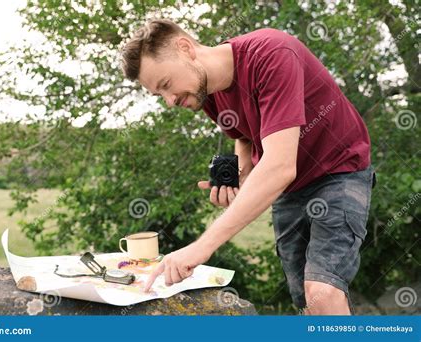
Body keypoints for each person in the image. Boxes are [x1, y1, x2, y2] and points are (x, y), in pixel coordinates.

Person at [120, 19, 375, 315]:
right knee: (306, 301)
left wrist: (200, 248)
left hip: (339, 171)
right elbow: (244, 136)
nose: (170, 101)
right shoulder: (207, 92)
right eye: (159, 95)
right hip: (290, 190)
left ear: (185, 48)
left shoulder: (272, 53)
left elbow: (279, 166)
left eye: (165, 85)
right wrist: (242, 178)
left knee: (323, 291)